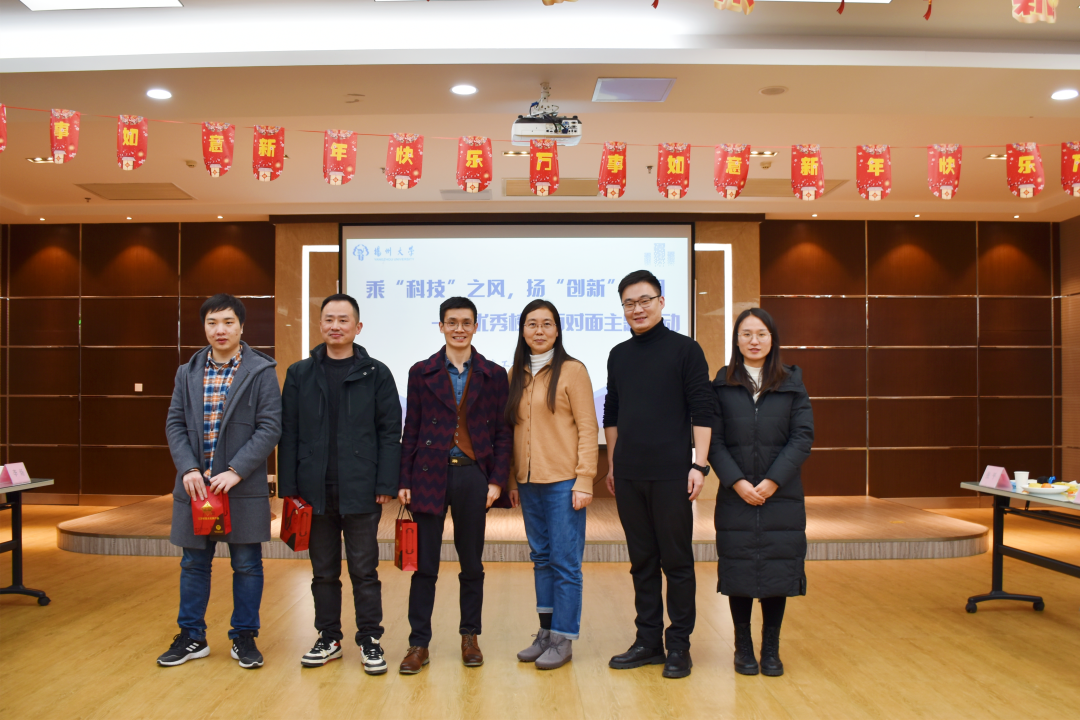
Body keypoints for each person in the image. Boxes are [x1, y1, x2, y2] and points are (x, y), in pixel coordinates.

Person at [278, 293, 402, 674]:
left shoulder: (376, 373)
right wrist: (288, 488)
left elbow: (389, 432)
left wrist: (385, 482)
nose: (335, 326)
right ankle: (328, 637)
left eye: (343, 320)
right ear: (319, 325)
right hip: (313, 491)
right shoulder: (300, 374)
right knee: (323, 571)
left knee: (364, 570)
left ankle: (370, 639)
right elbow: (289, 432)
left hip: (361, 488)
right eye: (329, 319)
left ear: (358, 327)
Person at [603, 270, 716, 680]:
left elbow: (703, 409)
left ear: (661, 302)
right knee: (642, 562)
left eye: (644, 300)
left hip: (672, 474)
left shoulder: (685, 350)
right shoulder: (618, 354)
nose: (637, 309)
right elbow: (612, 411)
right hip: (629, 474)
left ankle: (679, 645)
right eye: (629, 303)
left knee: (677, 561)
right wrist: (613, 463)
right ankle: (648, 641)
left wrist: (699, 465)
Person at [159, 294, 282, 669]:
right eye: (212, 323)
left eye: (228, 322)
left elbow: (270, 427)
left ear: (241, 326)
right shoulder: (187, 372)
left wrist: (236, 469)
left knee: (247, 564)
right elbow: (174, 424)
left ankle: (244, 636)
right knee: (194, 564)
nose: (220, 330)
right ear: (205, 327)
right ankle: (192, 637)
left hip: (240, 486)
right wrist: (188, 468)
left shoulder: (260, 370)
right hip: (196, 487)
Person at [397, 297, 512, 674]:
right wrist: (404, 479)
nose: (459, 329)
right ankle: (418, 643)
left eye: (466, 322)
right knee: (424, 565)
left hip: (473, 475)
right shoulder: (421, 371)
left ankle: (469, 637)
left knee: (471, 564)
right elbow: (411, 428)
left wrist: (496, 480)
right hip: (428, 474)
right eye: (452, 322)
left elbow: (503, 432)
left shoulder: (494, 374)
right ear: (441, 326)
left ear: (476, 327)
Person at [709, 307, 813, 678]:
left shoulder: (792, 382)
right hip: (735, 494)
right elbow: (713, 441)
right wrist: (737, 482)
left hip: (780, 495)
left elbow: (802, 437)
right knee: (738, 569)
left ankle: (770, 648)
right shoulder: (722, 384)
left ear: (772, 339)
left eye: (761, 334)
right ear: (736, 340)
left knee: (777, 569)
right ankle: (743, 647)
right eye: (746, 334)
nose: (754, 341)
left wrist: (772, 481)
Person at [506, 299, 598, 670]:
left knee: (565, 563)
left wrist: (585, 479)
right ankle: (545, 633)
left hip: (564, 482)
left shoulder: (573, 370)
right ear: (523, 330)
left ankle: (563, 638)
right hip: (529, 482)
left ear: (557, 330)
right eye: (532, 324)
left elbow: (588, 427)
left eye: (547, 323)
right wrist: (513, 479)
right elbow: (511, 430)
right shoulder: (515, 374)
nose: (539, 330)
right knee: (541, 559)